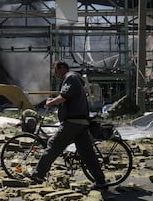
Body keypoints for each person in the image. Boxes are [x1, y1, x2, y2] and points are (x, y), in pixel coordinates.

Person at [29, 60, 107, 189]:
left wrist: (50, 102)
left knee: (53, 145)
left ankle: (38, 174)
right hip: (80, 122)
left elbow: (64, 96)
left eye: (55, 70)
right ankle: (101, 182)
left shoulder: (70, 77)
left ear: (61, 68)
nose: (55, 74)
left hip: (73, 122)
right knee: (87, 154)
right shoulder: (75, 79)